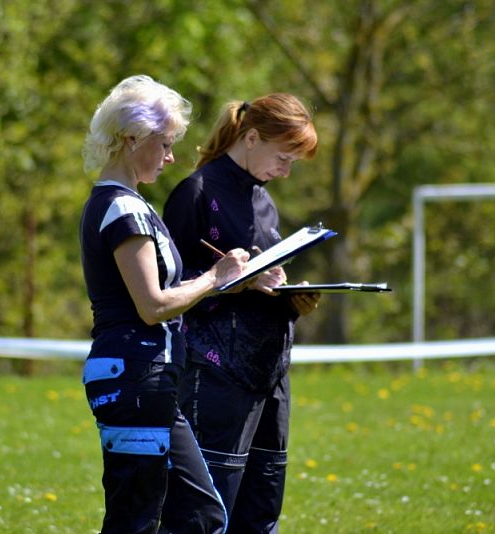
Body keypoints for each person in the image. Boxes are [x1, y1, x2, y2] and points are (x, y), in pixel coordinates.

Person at [79, 75, 249, 534]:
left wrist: (219, 285)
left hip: (144, 379)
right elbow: (152, 306)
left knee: (198, 516)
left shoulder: (125, 204)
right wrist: (213, 278)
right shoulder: (123, 209)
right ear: (132, 138)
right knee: (138, 520)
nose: (172, 156)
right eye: (166, 142)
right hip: (136, 377)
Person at [162, 93, 322, 533]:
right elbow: (167, 288)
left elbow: (262, 280)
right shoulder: (195, 192)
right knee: (203, 516)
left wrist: (292, 299)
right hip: (215, 375)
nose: (286, 171)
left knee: (262, 509)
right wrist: (237, 280)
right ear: (251, 137)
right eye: (284, 158)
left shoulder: (264, 200)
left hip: (270, 373)